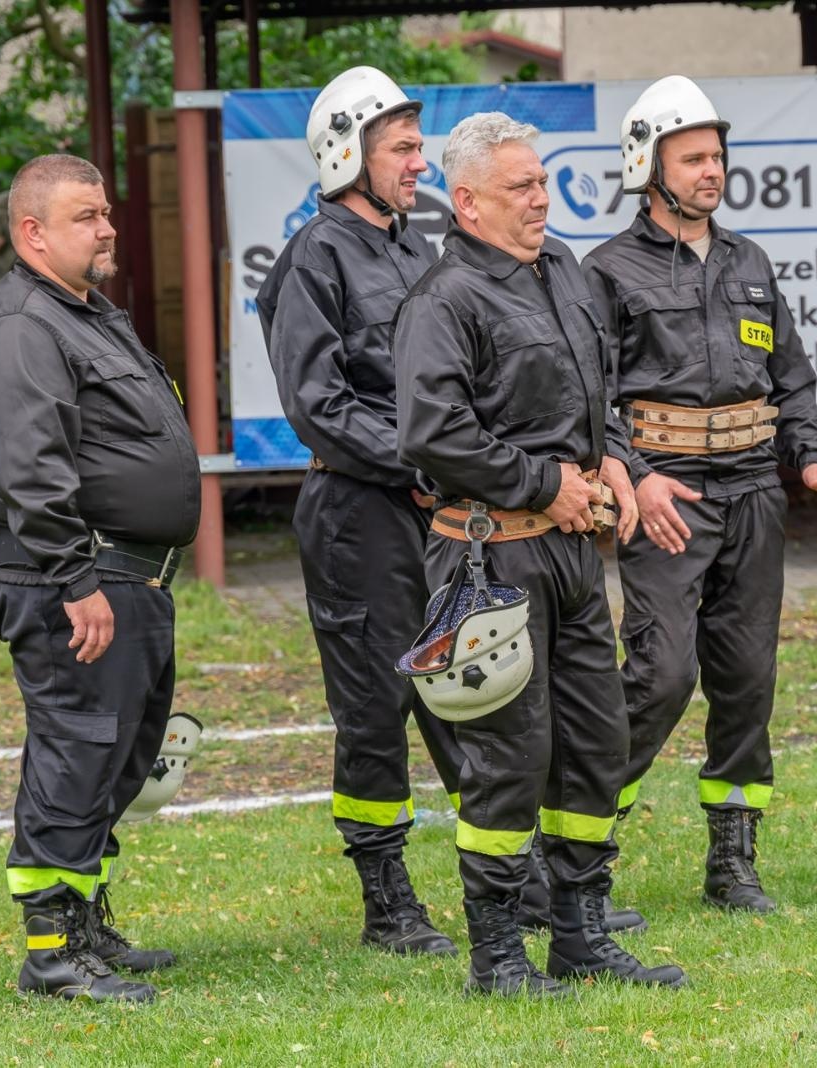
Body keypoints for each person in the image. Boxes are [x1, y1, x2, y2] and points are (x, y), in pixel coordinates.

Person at [393, 111, 686, 997]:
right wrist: (540, 483)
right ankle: (496, 957)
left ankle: (582, 936)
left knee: (595, 740)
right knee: (505, 759)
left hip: (569, 557)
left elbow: (593, 399)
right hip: (489, 560)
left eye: (544, 182)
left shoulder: (562, 270)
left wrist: (615, 464)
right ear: (468, 202)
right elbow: (432, 432)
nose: (541, 201)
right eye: (521, 188)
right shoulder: (442, 300)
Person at [582, 75, 817, 914]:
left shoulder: (751, 262)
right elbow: (588, 399)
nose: (713, 171)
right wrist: (632, 475)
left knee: (747, 678)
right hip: (665, 503)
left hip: (753, 494)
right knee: (662, 674)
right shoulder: (605, 272)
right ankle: (581, 848)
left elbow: (791, 375)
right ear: (650, 164)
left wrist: (809, 456)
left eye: (718, 156)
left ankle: (733, 860)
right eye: (694, 157)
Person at [0, 154, 200, 1000]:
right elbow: (32, 469)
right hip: (74, 578)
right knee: (77, 753)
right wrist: (74, 578)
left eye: (104, 213)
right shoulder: (26, 326)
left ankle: (85, 924)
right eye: (85, 217)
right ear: (33, 232)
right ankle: (53, 954)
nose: (107, 228)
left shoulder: (84, 314)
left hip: (122, 577)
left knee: (113, 759)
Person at [255, 65, 467, 957]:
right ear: (349, 152)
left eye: (421, 146)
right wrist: (421, 466)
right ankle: (388, 897)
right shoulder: (315, 257)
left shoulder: (419, 251)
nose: (423, 163)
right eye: (404, 148)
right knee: (378, 705)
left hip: (438, 510)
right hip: (359, 514)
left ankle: (511, 874)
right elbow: (320, 405)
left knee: (467, 686)